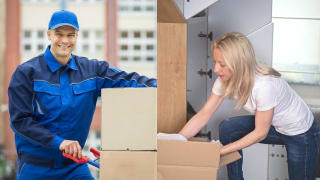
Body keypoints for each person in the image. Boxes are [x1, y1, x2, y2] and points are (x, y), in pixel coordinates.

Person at [8, 10, 156, 180]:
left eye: (71, 35)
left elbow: (129, 80)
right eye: (59, 34)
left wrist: (161, 86)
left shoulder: (92, 71)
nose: (65, 40)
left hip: (73, 167)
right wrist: (60, 142)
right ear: (49, 35)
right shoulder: (26, 73)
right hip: (36, 168)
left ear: (77, 37)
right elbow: (20, 121)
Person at [159, 32, 320, 179]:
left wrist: (219, 152)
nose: (215, 69)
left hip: (300, 132)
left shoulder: (264, 86)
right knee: (228, 128)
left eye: (222, 64)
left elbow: (260, 133)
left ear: (238, 64)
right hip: (273, 125)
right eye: (215, 62)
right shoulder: (224, 80)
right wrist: (178, 140)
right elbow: (204, 113)